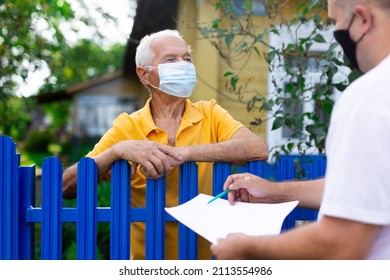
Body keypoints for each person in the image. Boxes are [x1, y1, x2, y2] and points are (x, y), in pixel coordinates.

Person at [62, 29, 269, 260]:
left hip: (210, 260)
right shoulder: (127, 126)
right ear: (145, 75)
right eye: (171, 60)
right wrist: (117, 151)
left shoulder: (210, 112)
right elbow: (66, 187)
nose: (183, 65)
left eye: (187, 59)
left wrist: (184, 153)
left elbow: (257, 149)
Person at [210, 0, 390, 260]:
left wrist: (247, 248)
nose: (336, 31)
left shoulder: (369, 99)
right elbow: (364, 188)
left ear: (363, 19)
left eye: (335, 22)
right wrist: (274, 192)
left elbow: (341, 243)